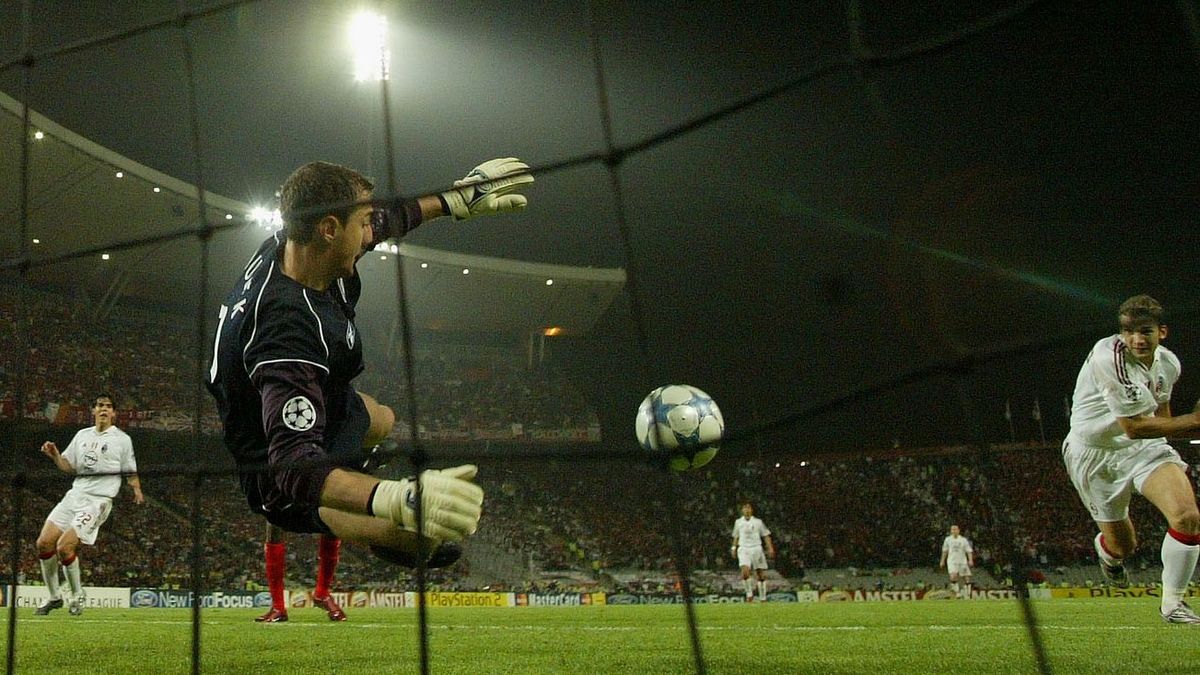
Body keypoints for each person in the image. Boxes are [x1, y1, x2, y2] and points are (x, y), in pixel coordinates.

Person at [206, 158, 532, 572]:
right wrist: (393, 496)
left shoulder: (300, 245)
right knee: (418, 541)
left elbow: (392, 218)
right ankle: (355, 502)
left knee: (382, 419)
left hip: (316, 393)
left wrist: (453, 200)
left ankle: (351, 470)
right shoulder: (287, 332)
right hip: (270, 458)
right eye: (362, 221)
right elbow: (293, 465)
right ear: (329, 229)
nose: (370, 229)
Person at [1064, 294, 1200, 623]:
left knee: (1187, 517)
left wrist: (1188, 430)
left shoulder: (1168, 364)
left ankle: (1173, 604)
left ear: (1161, 332)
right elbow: (1134, 427)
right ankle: (1109, 555)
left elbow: (1162, 423)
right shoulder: (1106, 356)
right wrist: (1195, 421)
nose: (1136, 339)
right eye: (1129, 331)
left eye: (1145, 331)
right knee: (1124, 547)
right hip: (1094, 456)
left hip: (1143, 449)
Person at [34, 394, 144, 616]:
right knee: (44, 543)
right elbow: (69, 467)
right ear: (93, 411)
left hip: (98, 501)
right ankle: (55, 597)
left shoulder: (122, 440)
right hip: (75, 495)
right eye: (100, 405)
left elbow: (130, 470)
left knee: (64, 547)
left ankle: (77, 595)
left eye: (109, 407)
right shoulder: (81, 435)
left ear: (114, 413)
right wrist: (55, 456)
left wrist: (137, 490)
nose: (104, 409)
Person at [730, 501, 775, 602]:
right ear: (742, 510)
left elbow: (766, 535)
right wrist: (733, 548)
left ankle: (763, 597)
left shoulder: (758, 522)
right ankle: (749, 594)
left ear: (752, 510)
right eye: (745, 508)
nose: (746, 510)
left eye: (748, 508)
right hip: (743, 548)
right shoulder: (738, 522)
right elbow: (736, 536)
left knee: (760, 575)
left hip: (756, 548)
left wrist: (770, 548)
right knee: (745, 572)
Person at [939, 524, 974, 599]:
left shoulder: (963, 540)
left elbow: (968, 551)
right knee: (953, 575)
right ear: (951, 531)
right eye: (952, 529)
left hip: (962, 561)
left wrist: (970, 560)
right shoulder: (947, 539)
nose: (954, 531)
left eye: (955, 529)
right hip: (952, 561)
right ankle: (957, 593)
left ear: (958, 530)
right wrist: (942, 561)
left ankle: (967, 594)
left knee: (966, 577)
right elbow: (945, 551)